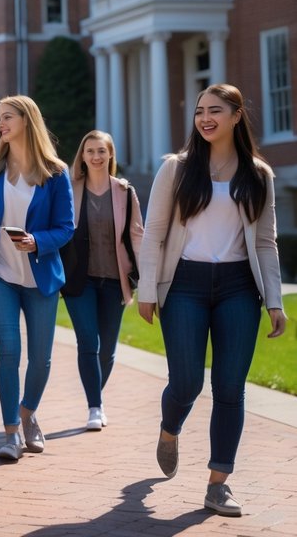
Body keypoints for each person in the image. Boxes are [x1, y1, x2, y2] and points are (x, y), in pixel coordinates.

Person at [137, 84, 288, 517]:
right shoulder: (177, 169)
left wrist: (274, 300)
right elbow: (155, 233)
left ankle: (218, 482)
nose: (205, 118)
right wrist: (148, 290)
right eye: (200, 110)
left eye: (215, 110)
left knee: (229, 388)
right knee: (186, 382)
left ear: (236, 116)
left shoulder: (258, 174)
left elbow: (265, 241)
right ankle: (170, 428)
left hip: (240, 288)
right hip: (184, 284)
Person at [0, 95, 74, 462]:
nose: (1, 124)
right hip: (0, 275)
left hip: (41, 277)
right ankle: (11, 431)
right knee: (9, 349)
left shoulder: (56, 173)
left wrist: (37, 241)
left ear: (27, 120)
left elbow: (65, 227)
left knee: (41, 358)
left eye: (7, 117)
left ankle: (28, 413)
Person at [62, 131, 142, 431]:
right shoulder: (69, 189)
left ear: (111, 156)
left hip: (114, 279)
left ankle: (95, 395)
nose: (96, 157)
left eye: (102, 151)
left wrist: (146, 279)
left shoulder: (125, 192)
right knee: (89, 342)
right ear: (82, 156)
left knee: (107, 350)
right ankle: (95, 406)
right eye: (90, 151)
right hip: (79, 280)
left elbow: (137, 236)